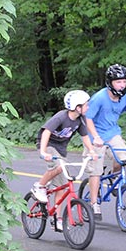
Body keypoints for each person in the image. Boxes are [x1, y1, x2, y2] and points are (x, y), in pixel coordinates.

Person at [85, 64, 126, 220]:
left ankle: (113, 177)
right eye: (118, 82)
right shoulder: (99, 97)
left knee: (122, 158)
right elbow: (87, 118)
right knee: (95, 170)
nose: (122, 85)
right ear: (110, 82)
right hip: (95, 137)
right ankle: (94, 203)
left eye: (123, 81)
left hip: (112, 134)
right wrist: (95, 137)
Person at [31, 90, 97, 231]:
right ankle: (40, 186)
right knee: (59, 167)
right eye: (86, 105)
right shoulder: (61, 117)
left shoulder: (79, 120)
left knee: (62, 185)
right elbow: (46, 132)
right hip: (48, 145)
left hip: (61, 149)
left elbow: (85, 137)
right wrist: (43, 151)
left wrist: (91, 150)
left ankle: (57, 218)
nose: (88, 107)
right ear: (77, 107)